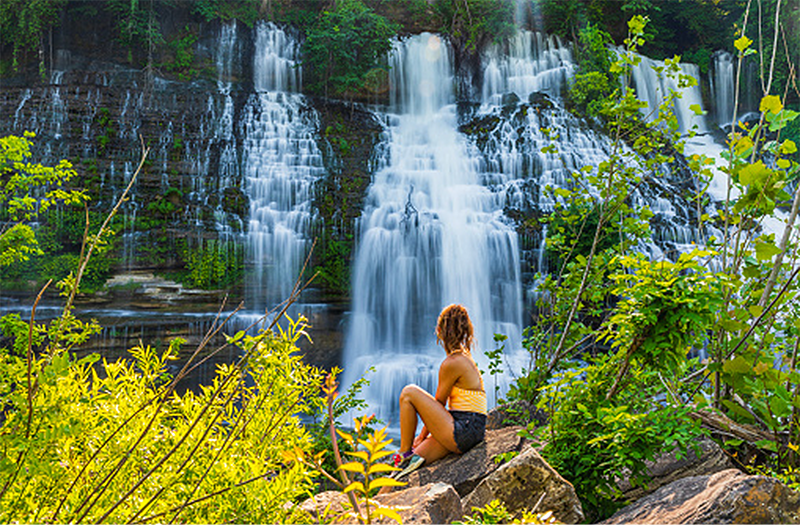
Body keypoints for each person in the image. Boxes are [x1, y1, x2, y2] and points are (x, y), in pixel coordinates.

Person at [391, 304, 488, 478]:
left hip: (463, 429)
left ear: (441, 331)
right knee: (403, 472)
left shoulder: (452, 363)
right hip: (471, 429)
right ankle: (374, 501)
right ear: (466, 330)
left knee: (408, 392)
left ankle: (403, 453)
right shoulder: (466, 358)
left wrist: (421, 437)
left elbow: (439, 404)